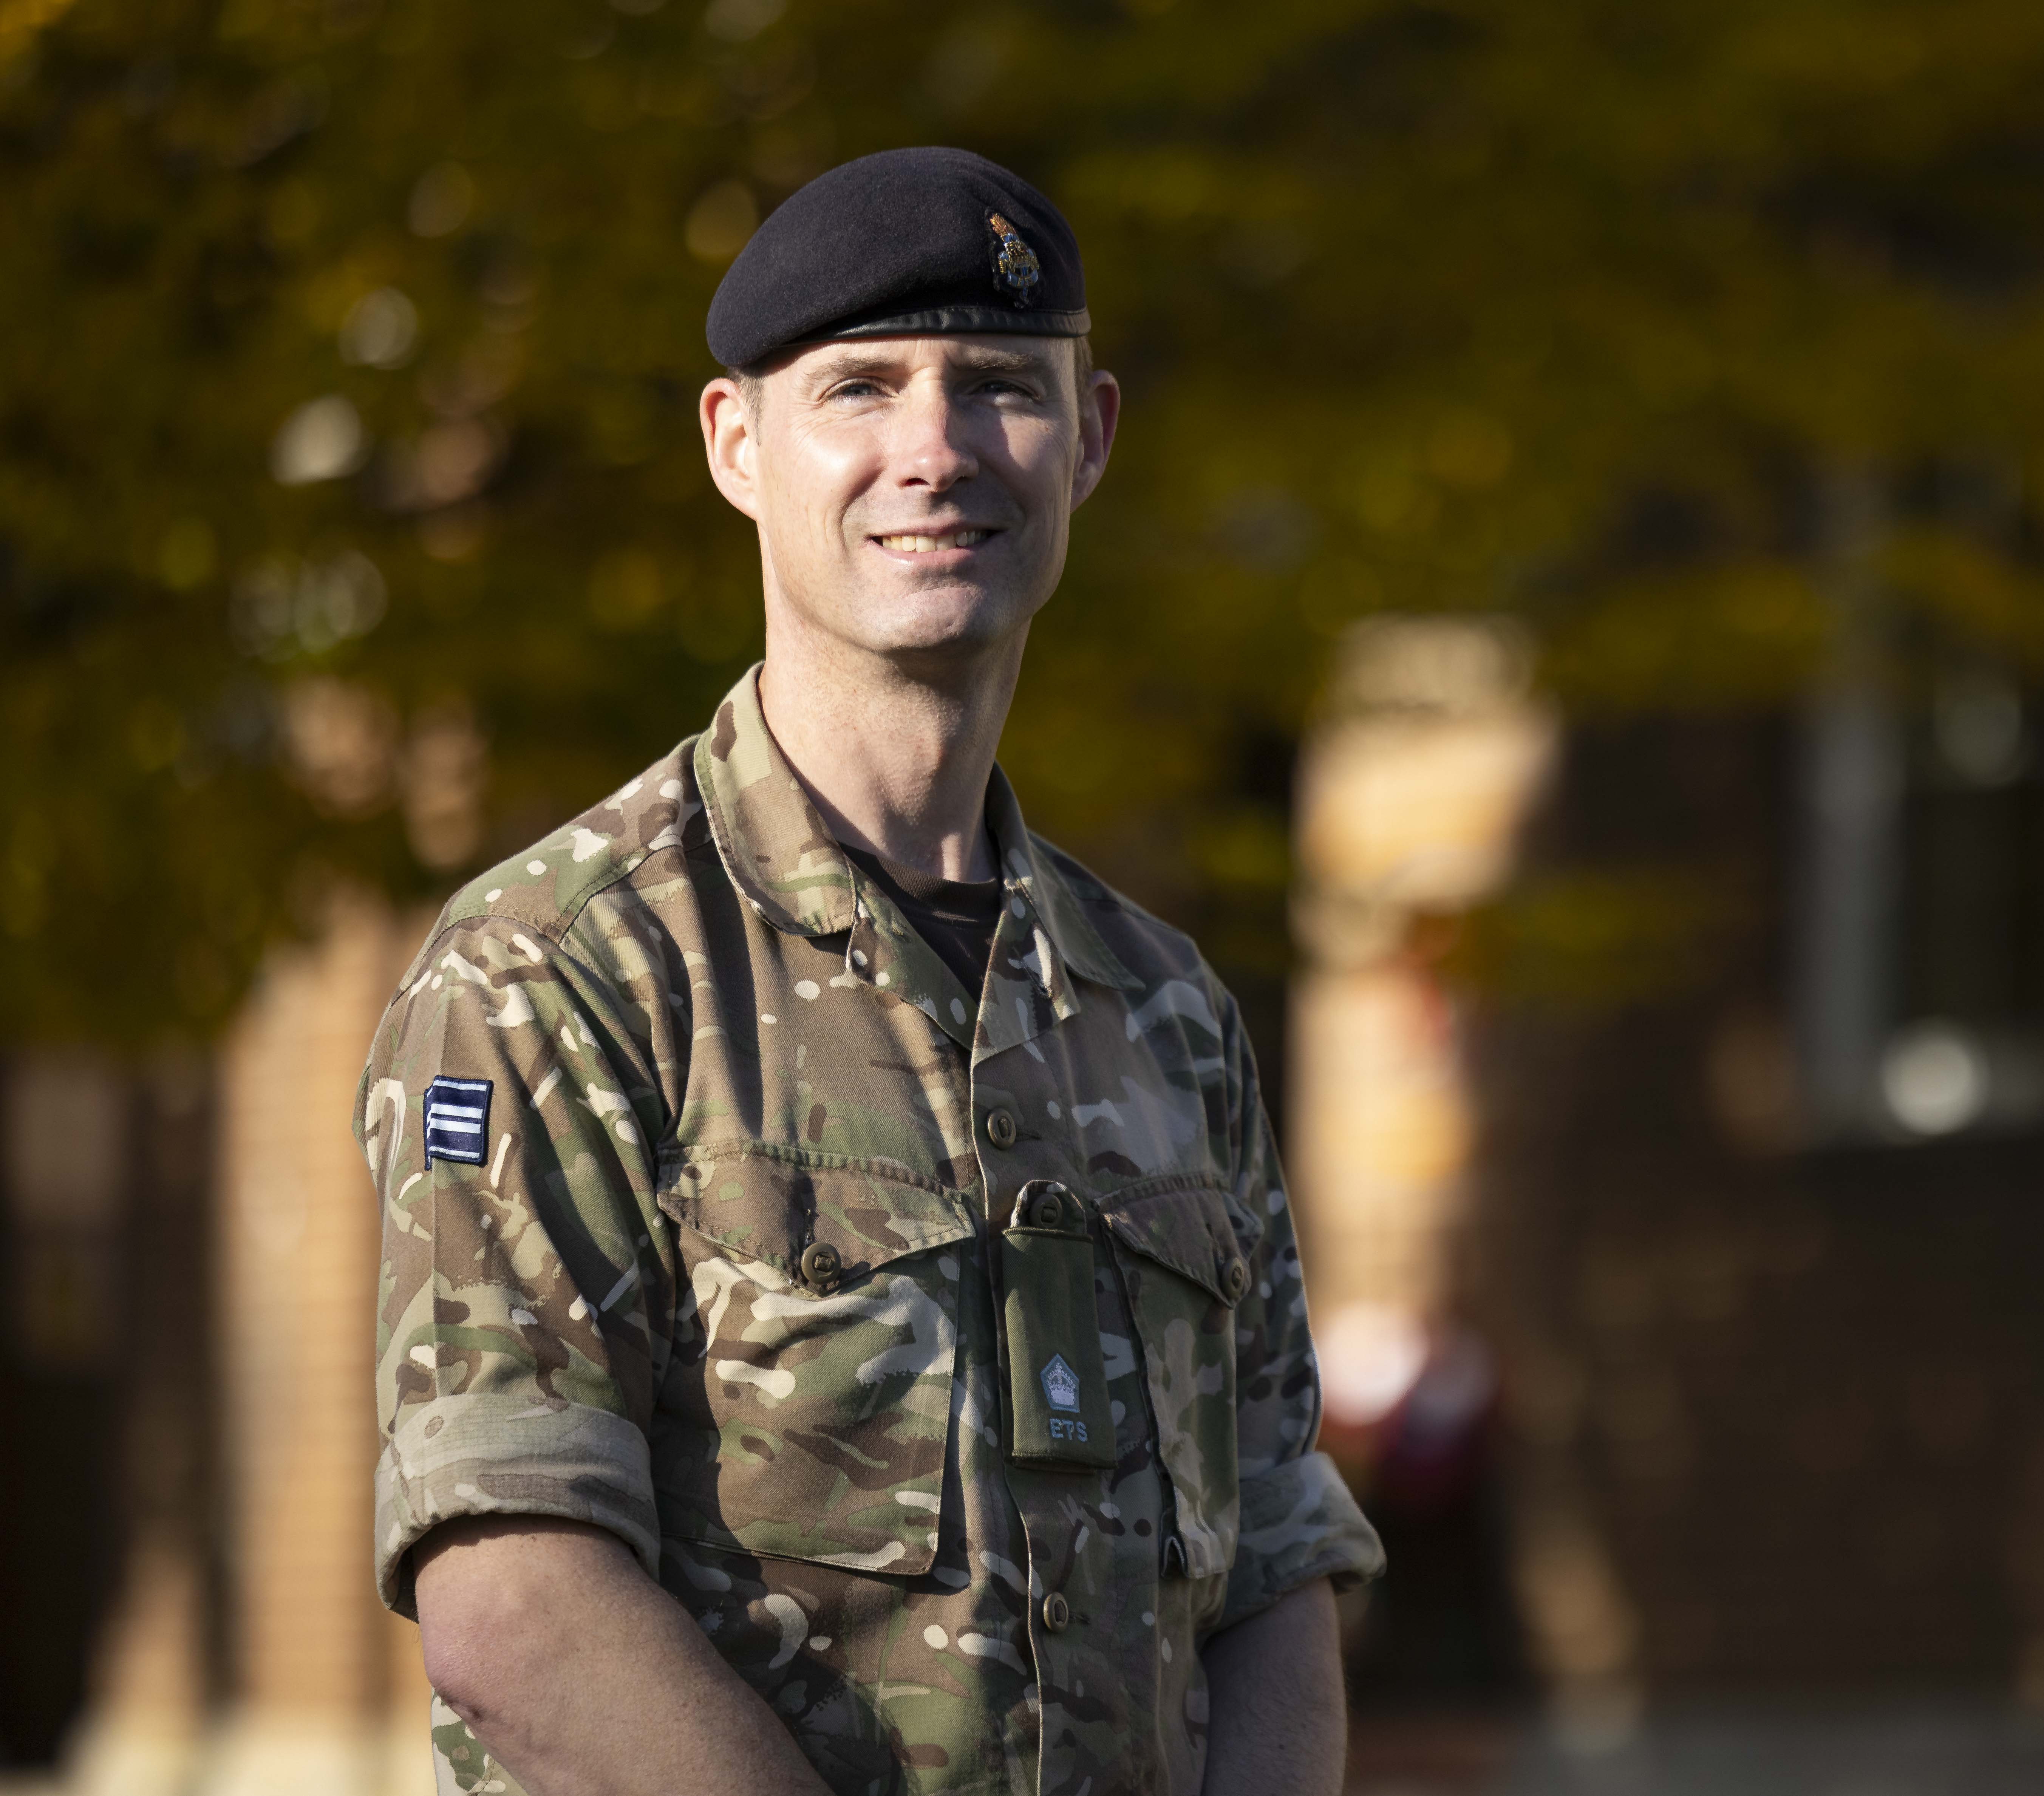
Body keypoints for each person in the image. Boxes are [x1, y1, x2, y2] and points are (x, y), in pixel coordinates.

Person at [358, 146, 1384, 1796]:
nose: (936, 448)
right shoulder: (561, 973)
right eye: (860, 389)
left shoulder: (1166, 1012)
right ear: (737, 446)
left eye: (996, 385)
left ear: (1092, 437)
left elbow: (1273, 1556)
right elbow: (514, 1589)